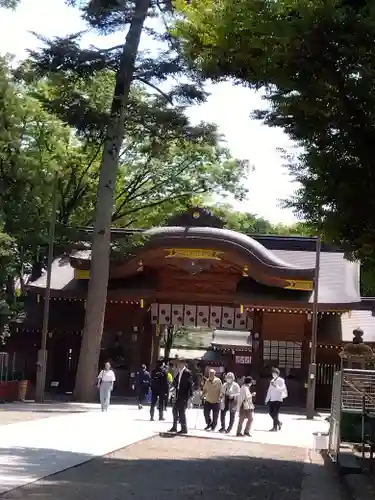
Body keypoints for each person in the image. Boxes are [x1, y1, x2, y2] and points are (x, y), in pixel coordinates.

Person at [168, 358, 193, 434]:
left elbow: (190, 385)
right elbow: (176, 381)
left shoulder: (187, 372)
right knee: (175, 410)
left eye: (180, 363)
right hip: (178, 394)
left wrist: (190, 397)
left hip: (184, 395)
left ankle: (184, 428)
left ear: (183, 364)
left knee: (181, 412)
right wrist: (172, 387)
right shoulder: (180, 372)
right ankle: (174, 427)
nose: (178, 365)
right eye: (178, 363)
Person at [265, 367, 288, 431]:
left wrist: (276, 386)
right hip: (272, 398)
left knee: (275, 413)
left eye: (274, 373)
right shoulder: (272, 381)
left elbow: (282, 389)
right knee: (270, 412)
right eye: (272, 373)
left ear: (277, 374)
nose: (273, 375)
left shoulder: (281, 380)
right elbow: (269, 390)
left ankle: (275, 427)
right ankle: (279, 423)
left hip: (278, 398)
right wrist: (267, 399)